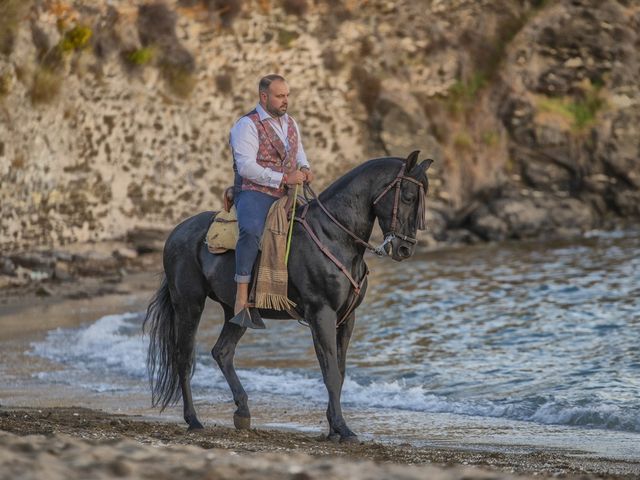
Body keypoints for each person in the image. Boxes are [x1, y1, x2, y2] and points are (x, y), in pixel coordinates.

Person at [230, 74, 314, 315]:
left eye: (287, 95)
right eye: (280, 96)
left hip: (287, 192)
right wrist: (284, 178)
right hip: (255, 191)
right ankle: (241, 297)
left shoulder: (290, 122)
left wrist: (305, 167)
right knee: (251, 230)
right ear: (264, 96)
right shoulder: (246, 125)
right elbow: (246, 167)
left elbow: (299, 152)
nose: (285, 100)